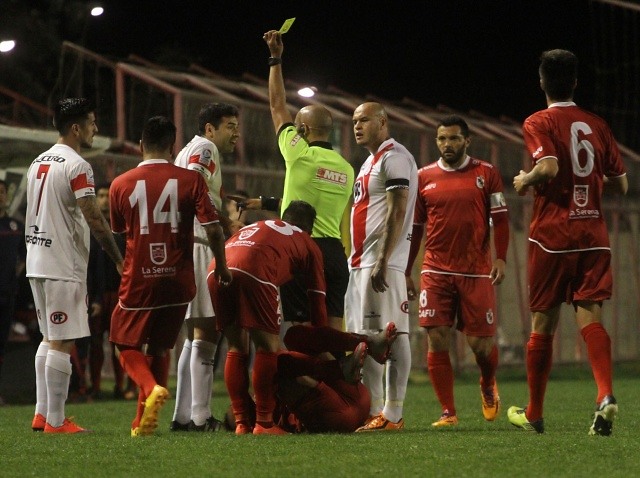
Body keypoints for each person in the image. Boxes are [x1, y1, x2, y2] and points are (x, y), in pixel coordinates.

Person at [509, 49, 628, 435]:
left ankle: (535, 414)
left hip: (552, 236)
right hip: (593, 234)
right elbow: (621, 183)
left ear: (541, 82)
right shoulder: (596, 123)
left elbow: (549, 167)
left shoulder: (538, 121)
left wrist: (525, 180)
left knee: (543, 323)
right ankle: (605, 394)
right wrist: (589, 184)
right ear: (575, 82)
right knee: (590, 315)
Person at [109, 116, 231, 437]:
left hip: (140, 276)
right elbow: (214, 228)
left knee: (124, 343)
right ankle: (142, 423)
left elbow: (123, 231)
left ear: (140, 145)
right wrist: (221, 263)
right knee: (161, 348)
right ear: (172, 146)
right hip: (180, 279)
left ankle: (149, 388)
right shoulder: (191, 181)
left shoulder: (120, 184)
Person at [26, 97, 124, 433]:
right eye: (93, 123)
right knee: (62, 340)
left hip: (36, 260)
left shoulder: (37, 161)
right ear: (76, 128)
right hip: (61, 264)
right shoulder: (77, 164)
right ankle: (55, 421)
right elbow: (94, 216)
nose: (96, 129)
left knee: (48, 337)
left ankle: (42, 413)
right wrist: (118, 259)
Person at [405, 115, 510, 427]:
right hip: (435, 269)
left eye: (453, 139)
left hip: (476, 270)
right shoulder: (424, 176)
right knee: (436, 337)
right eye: (442, 139)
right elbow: (416, 226)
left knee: (481, 347)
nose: (446, 144)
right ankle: (448, 412)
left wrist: (501, 258)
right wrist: (407, 269)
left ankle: (487, 382)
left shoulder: (487, 173)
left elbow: (501, 219)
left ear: (467, 141)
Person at [261, 30, 355, 331]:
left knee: (300, 333)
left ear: (302, 128)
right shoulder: (347, 168)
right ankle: (345, 369)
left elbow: (277, 106)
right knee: (332, 330)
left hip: (301, 248)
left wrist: (275, 58)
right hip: (335, 255)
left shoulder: (298, 153)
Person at [208, 201, 327, 435]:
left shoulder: (261, 224)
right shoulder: (308, 242)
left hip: (217, 268)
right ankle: (263, 423)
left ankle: (242, 423)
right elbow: (317, 300)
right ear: (310, 229)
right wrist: (320, 344)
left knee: (236, 346)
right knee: (268, 347)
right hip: (255, 269)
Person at [345, 102, 418, 431]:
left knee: (393, 333)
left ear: (383, 121)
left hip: (380, 262)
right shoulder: (368, 162)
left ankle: (393, 412)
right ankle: (374, 408)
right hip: (362, 262)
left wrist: (387, 260)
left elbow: (397, 209)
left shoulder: (394, 156)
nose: (357, 126)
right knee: (367, 337)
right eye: (354, 121)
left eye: (364, 120)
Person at [170, 103, 241, 432]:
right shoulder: (205, 148)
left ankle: (183, 416)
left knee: (193, 335)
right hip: (199, 243)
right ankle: (200, 417)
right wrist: (224, 222)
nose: (235, 132)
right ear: (210, 129)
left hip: (184, 245)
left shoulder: (185, 151)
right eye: (229, 125)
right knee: (207, 333)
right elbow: (195, 187)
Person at [274, 322, 397, 433]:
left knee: (293, 336)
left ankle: (364, 348)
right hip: (338, 412)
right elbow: (303, 380)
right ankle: (344, 364)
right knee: (279, 360)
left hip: (342, 406)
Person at [86, 183, 136, 400]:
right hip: (98, 295)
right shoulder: (90, 229)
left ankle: (122, 385)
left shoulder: (122, 229)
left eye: (108, 195)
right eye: (101, 195)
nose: (105, 199)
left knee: (121, 342)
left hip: (119, 293)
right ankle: (95, 386)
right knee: (96, 343)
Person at [0, 179, 26, 406]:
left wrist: (14, 275)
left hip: (6, 294)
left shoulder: (14, 227)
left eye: (2, 192)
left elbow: (25, 256)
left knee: (2, 342)